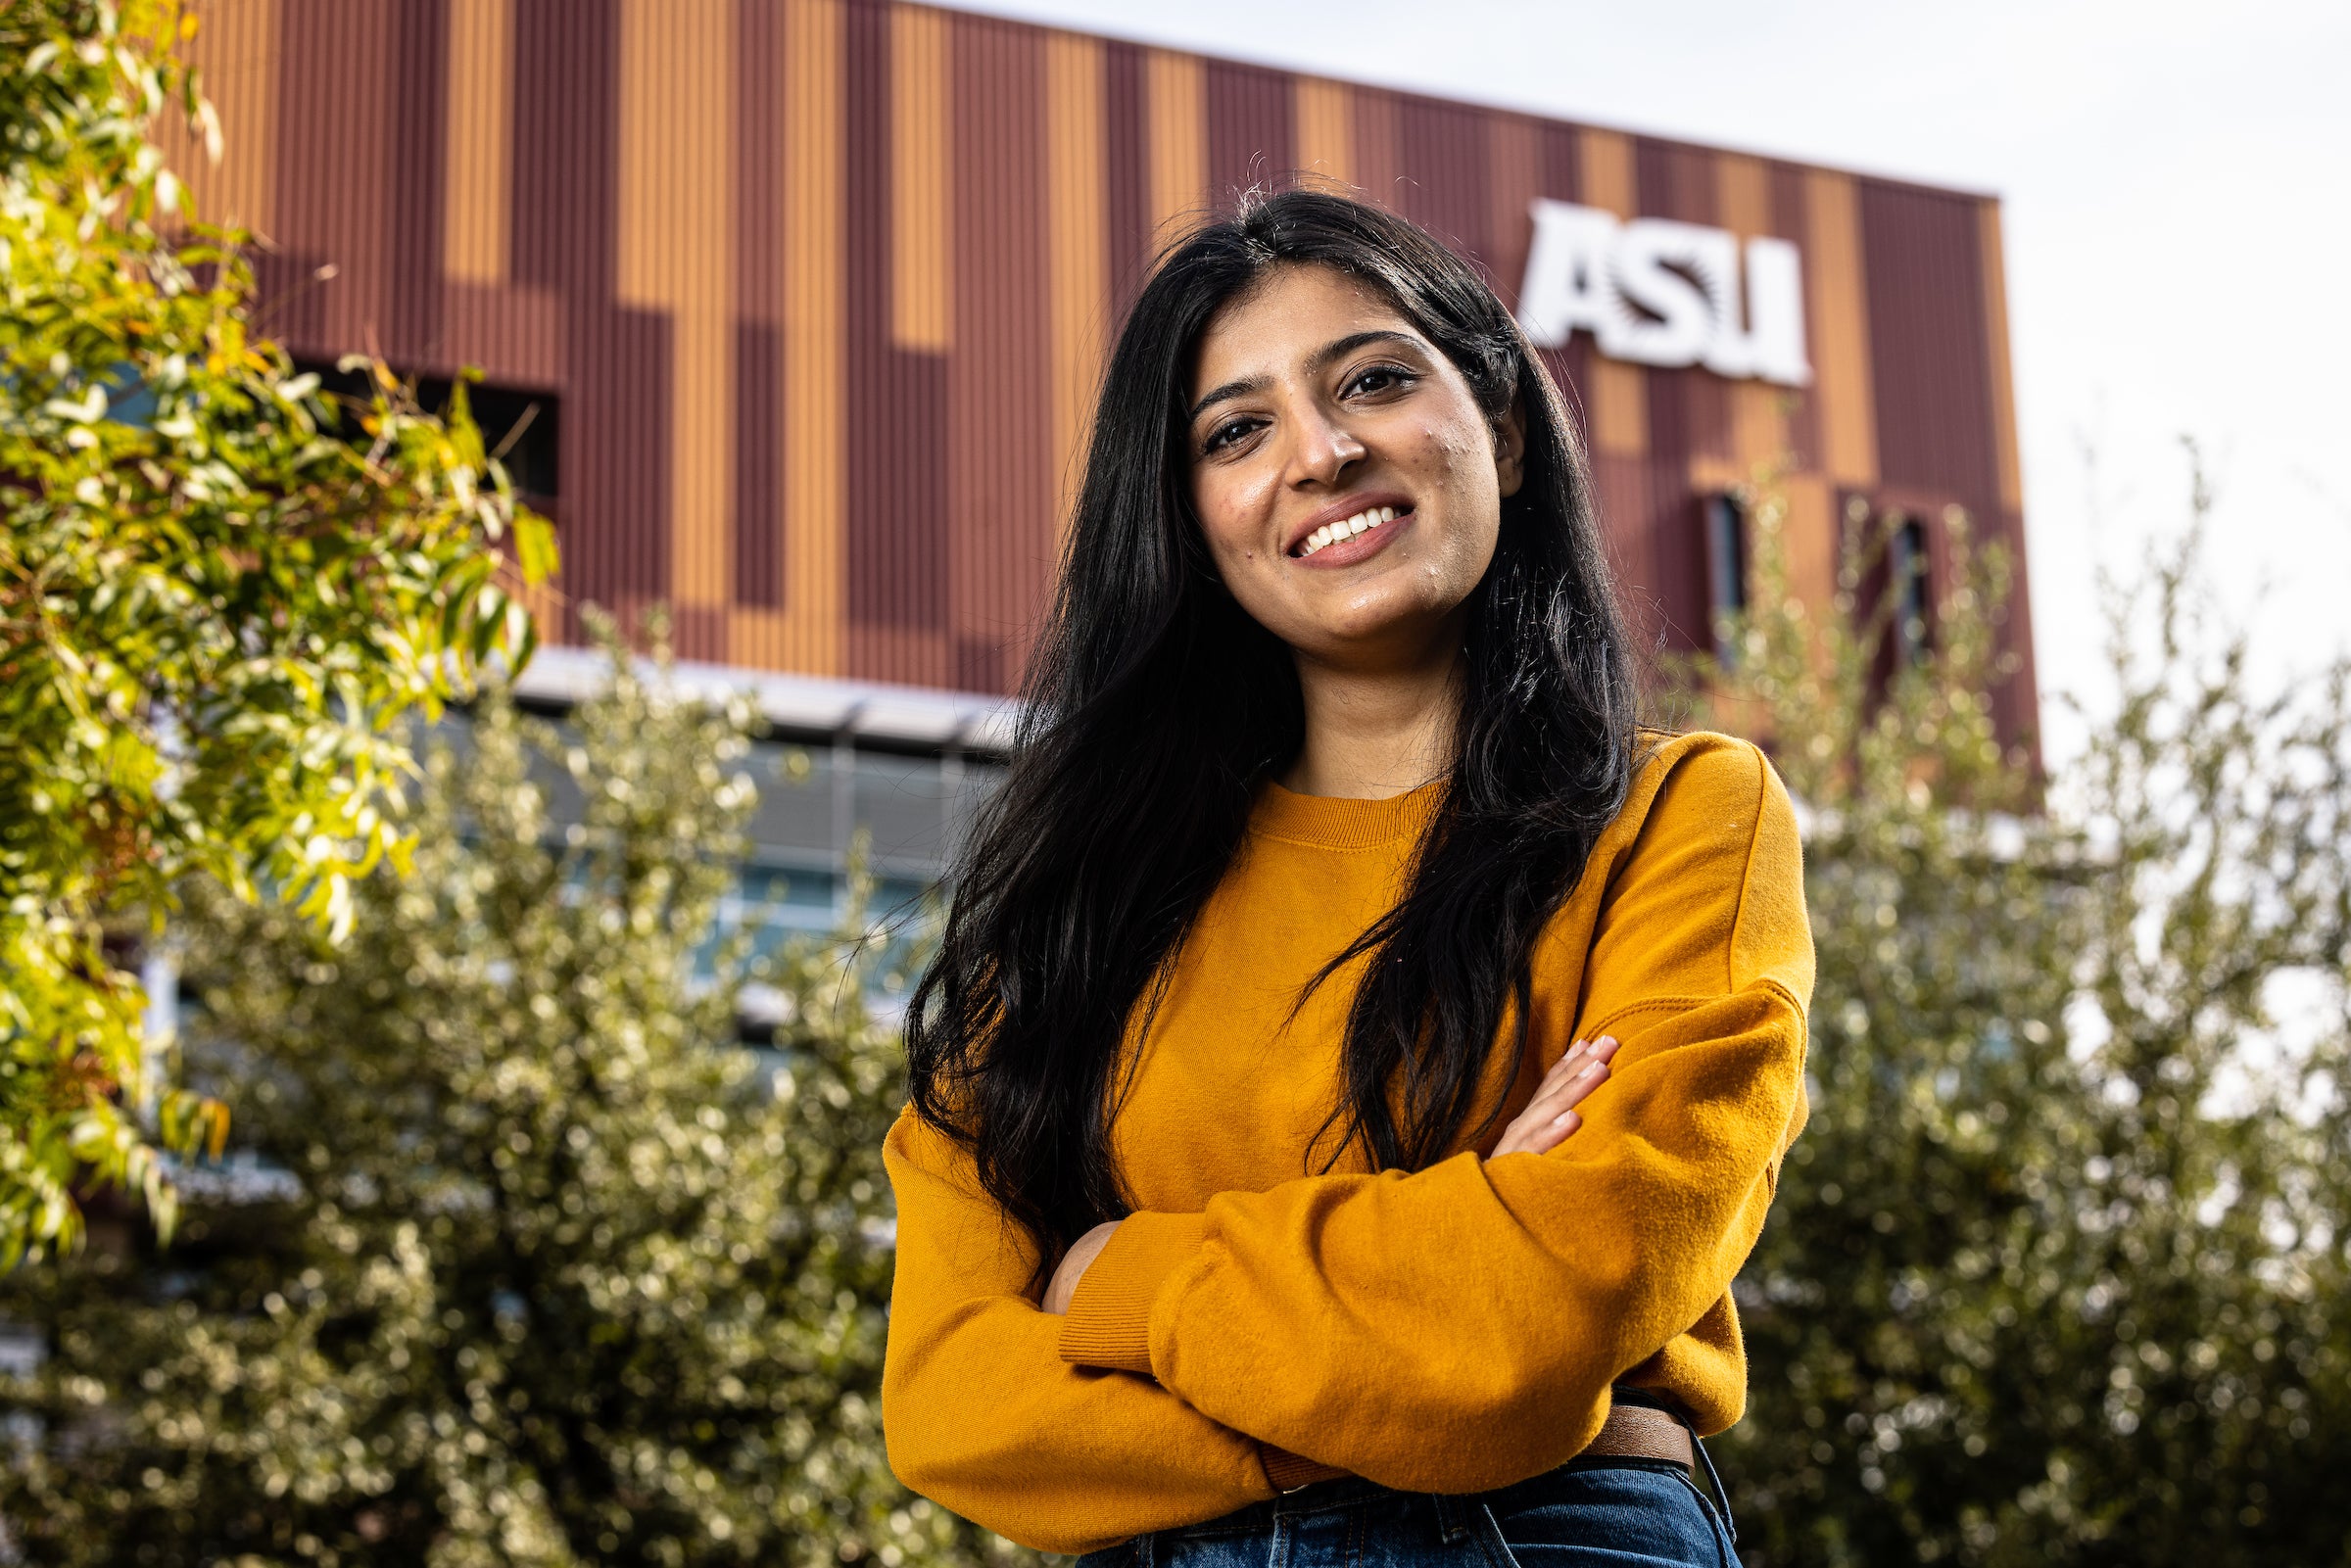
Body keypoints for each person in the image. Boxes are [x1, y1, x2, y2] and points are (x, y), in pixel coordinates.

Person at [882, 187, 1812, 1568]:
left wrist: (1115, 1278)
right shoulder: (1078, 906)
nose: (1319, 453)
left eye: (1373, 379)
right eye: (1237, 429)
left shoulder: (1681, 814)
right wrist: (1440, 1269)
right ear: (1189, 513)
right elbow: (954, 1399)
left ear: (1495, 418)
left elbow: (1566, 1285)